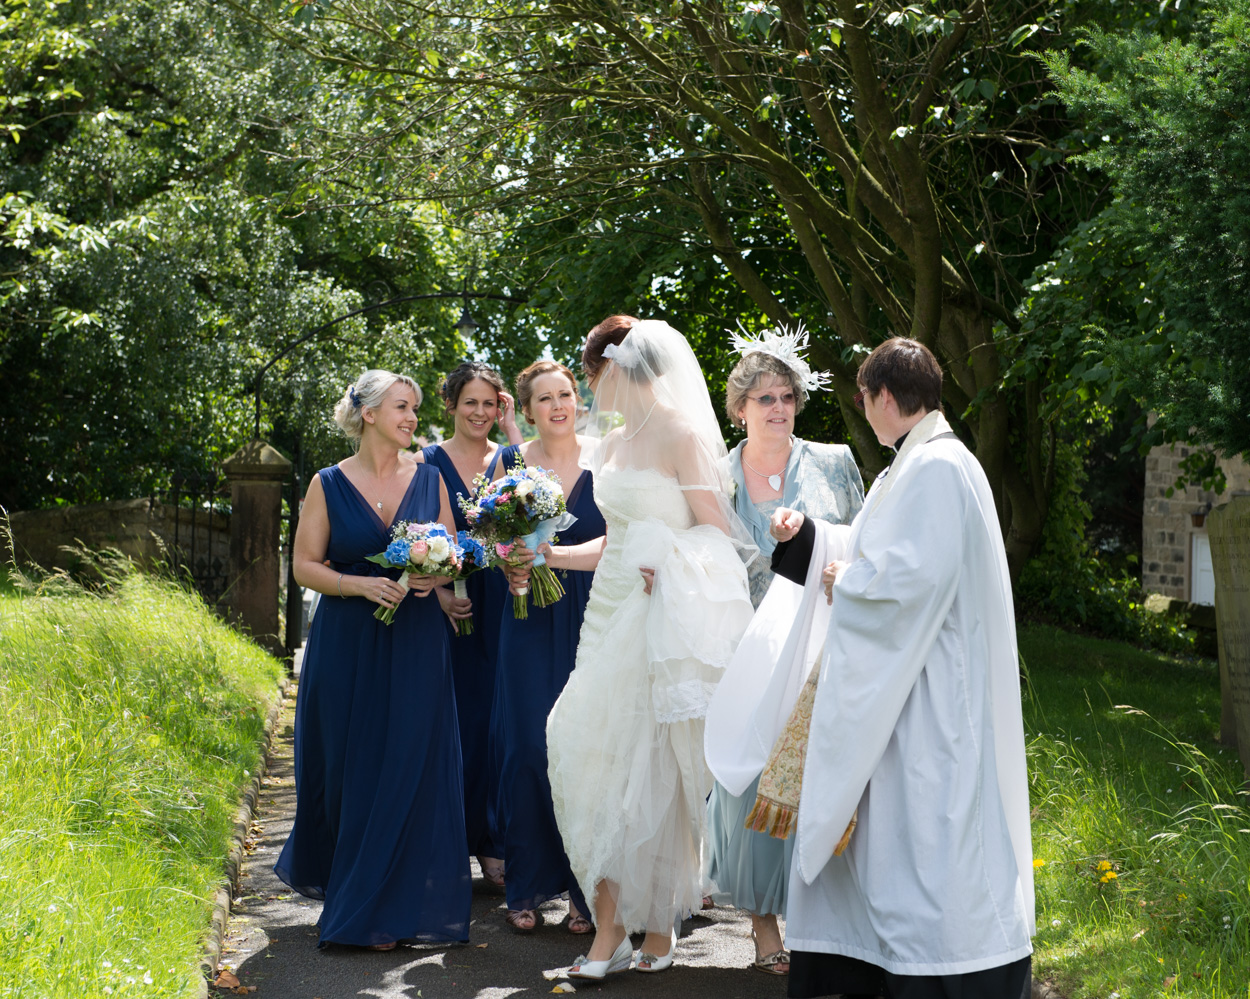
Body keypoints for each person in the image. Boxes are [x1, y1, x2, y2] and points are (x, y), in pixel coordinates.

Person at [706, 337, 1034, 999]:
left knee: (927, 837)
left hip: (931, 695)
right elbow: (876, 545)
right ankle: (867, 964)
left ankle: (933, 967)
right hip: (904, 685)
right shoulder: (906, 467)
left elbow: (906, 582)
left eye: (864, 399)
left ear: (884, 396)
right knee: (889, 843)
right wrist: (812, 540)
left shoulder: (939, 468)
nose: (866, 411)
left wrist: (845, 579)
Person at [533, 316, 755, 979]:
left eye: (594, 375)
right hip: (606, 613)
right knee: (588, 748)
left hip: (661, 612)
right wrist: (551, 553)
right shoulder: (616, 441)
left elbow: (718, 536)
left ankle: (619, 935)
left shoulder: (682, 435)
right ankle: (644, 931)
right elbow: (617, 538)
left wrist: (674, 563)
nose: (589, 391)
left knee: (645, 768)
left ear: (624, 368)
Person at [274, 369, 470, 948]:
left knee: (407, 762)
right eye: (402, 408)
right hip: (346, 643)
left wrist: (440, 590)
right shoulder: (327, 483)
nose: (413, 419)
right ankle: (353, 891)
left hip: (414, 642)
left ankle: (389, 905)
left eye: (413, 409)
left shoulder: (430, 478)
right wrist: (358, 587)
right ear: (368, 413)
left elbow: (452, 557)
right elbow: (305, 565)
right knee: (346, 768)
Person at [704, 323, 865, 975]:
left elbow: (863, 538)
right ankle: (763, 923)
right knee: (749, 776)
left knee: (818, 770)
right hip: (741, 641)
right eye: (764, 398)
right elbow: (701, 552)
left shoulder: (834, 462)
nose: (778, 408)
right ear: (739, 407)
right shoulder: (715, 476)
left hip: (821, 637)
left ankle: (823, 921)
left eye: (786, 396)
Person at [489, 361, 605, 935]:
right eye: (545, 398)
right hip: (529, 614)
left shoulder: (607, 459)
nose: (558, 405)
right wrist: (509, 560)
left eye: (566, 394)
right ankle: (528, 880)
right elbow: (490, 538)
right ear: (527, 409)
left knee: (587, 750)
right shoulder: (509, 463)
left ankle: (588, 891)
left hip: (595, 616)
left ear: (577, 401)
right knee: (529, 750)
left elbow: (627, 536)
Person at [421, 361, 522, 888]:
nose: (479, 412)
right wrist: (438, 593)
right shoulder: (427, 461)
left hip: (503, 598)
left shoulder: (510, 458)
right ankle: (450, 843)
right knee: (455, 723)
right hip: (450, 604)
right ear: (452, 406)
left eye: (489, 403)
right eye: (470, 403)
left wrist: (511, 433)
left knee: (498, 722)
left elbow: (532, 504)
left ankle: (494, 842)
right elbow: (414, 531)